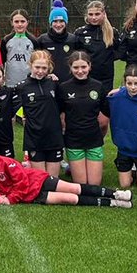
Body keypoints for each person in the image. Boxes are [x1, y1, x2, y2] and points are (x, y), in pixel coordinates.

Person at [0, 140, 132, 207]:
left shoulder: (5, 162)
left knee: (73, 188)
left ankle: (116, 194)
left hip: (37, 181)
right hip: (29, 196)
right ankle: (113, 203)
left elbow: (21, 181)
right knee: (68, 199)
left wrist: (10, 198)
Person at [59, 51, 109, 186]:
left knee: (94, 184)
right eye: (76, 67)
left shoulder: (98, 86)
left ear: (90, 66)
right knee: (81, 184)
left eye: (83, 67)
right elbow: (59, 112)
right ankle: (73, 166)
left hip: (94, 138)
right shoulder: (63, 88)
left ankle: (82, 165)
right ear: (70, 68)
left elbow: (108, 110)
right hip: (73, 140)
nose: (80, 71)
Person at [17, 50, 63, 174]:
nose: (41, 71)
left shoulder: (54, 83)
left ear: (49, 67)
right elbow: (11, 109)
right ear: (30, 65)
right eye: (37, 67)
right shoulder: (22, 87)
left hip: (54, 137)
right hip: (34, 138)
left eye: (44, 68)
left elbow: (63, 106)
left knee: (53, 180)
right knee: (41, 180)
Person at [34, 0, 84, 82]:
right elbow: (35, 63)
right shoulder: (42, 40)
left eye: (61, 21)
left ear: (66, 22)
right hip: (47, 82)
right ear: (50, 23)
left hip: (69, 83)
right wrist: (46, 75)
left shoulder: (74, 40)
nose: (58, 25)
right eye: (55, 21)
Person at [74, 0, 118, 91]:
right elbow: (75, 55)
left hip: (106, 79)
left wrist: (108, 59)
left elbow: (120, 51)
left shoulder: (112, 32)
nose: (94, 17)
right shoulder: (80, 33)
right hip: (86, 77)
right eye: (90, 14)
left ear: (103, 14)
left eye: (97, 14)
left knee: (105, 104)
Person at [2, 9, 35, 88]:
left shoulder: (33, 41)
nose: (20, 24)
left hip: (28, 84)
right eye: (16, 21)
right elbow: (2, 61)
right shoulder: (6, 40)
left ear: (27, 22)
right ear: (12, 23)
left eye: (22, 21)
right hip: (10, 84)